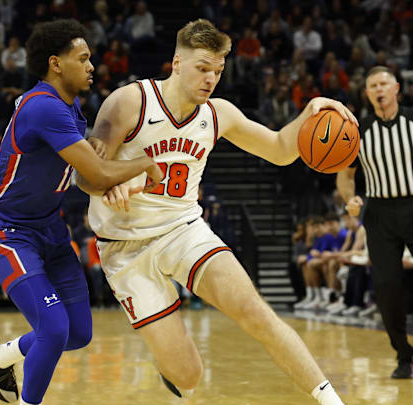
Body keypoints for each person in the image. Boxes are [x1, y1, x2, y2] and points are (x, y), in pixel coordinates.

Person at [79, 19, 355, 405]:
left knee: (255, 310)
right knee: (189, 376)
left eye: (218, 71)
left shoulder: (218, 113)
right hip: (125, 248)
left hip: (184, 230)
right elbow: (86, 175)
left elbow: (279, 149)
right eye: (202, 68)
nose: (211, 79)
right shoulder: (130, 102)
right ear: (176, 63)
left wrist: (309, 112)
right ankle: (171, 365)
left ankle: (330, 400)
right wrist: (110, 180)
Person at [0, 19, 163, 405]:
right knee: (54, 330)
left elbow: (85, 170)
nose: (93, 66)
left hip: (50, 230)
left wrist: (90, 143)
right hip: (6, 229)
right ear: (56, 64)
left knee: (77, 333)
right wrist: (146, 163)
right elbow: (97, 173)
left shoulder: (70, 110)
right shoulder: (44, 107)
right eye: (84, 58)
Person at [337, 65, 413, 379]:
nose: (379, 89)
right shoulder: (358, 132)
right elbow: (345, 174)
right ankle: (404, 356)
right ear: (367, 94)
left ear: (396, 88)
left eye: (384, 83)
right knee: (386, 286)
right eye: (373, 86)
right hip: (379, 213)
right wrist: (350, 199)